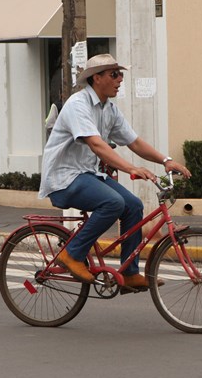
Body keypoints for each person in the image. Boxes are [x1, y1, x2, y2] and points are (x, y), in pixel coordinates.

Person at [40, 53, 191, 291]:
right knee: (113, 203)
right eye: (114, 74)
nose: (120, 79)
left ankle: (129, 274)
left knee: (133, 204)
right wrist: (131, 168)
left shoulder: (109, 109)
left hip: (87, 175)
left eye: (120, 74)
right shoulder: (77, 105)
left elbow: (134, 142)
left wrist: (166, 160)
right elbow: (96, 144)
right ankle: (72, 254)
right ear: (96, 78)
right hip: (64, 178)